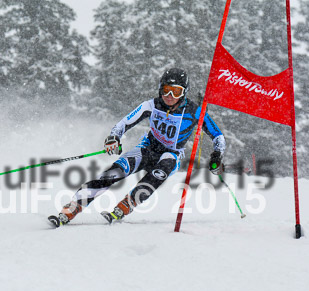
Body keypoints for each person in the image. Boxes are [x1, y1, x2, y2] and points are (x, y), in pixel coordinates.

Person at [48, 67, 226, 228]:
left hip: (171, 153)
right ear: (160, 88)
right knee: (113, 174)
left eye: (176, 91)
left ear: (184, 93)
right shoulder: (151, 105)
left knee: (159, 173)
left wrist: (217, 155)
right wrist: (113, 138)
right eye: (166, 89)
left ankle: (126, 205)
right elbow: (123, 124)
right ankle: (74, 206)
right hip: (147, 148)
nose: (170, 95)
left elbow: (218, 135)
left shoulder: (195, 111)